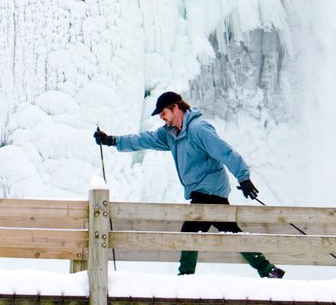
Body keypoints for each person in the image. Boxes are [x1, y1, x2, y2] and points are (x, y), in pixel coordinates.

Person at [94, 91, 285, 279]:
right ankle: (268, 270)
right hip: (201, 192)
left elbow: (225, 152)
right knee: (229, 232)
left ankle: (186, 277)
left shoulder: (198, 129)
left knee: (191, 232)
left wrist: (243, 177)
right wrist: (112, 140)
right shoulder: (170, 134)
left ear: (175, 107)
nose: (162, 118)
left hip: (210, 190)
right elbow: (144, 139)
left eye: (163, 113)